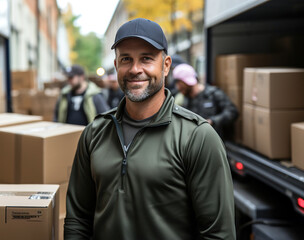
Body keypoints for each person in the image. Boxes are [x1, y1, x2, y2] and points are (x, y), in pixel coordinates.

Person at [64, 18, 236, 240]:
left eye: (146, 58)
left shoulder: (197, 137)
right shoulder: (94, 132)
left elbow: (218, 234)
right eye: (126, 59)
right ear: (116, 66)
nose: (135, 69)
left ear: (166, 66)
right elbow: (78, 219)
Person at [173, 63, 239, 138]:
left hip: (214, 142)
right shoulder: (184, 100)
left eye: (180, 84)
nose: (178, 87)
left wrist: (212, 121)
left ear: (187, 82)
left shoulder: (213, 94)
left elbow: (232, 112)